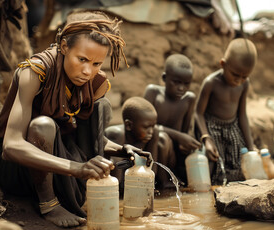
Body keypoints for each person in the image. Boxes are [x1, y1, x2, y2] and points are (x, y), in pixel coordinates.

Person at [0, 10, 151, 228]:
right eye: (82, 59)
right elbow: (11, 146)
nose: (87, 71)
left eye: (96, 64)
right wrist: (76, 168)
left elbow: (85, 137)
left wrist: (122, 149)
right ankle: (49, 204)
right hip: (15, 166)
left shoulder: (96, 84)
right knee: (43, 125)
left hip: (57, 156)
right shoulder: (35, 72)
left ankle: (80, 195)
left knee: (102, 106)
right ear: (64, 47)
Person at [194, 38, 257, 184]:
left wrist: (251, 147)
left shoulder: (244, 85)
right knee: (214, 162)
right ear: (223, 64)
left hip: (232, 128)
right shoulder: (211, 83)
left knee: (240, 164)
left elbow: (242, 115)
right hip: (212, 128)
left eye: (244, 76)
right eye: (235, 75)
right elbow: (198, 113)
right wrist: (206, 138)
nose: (239, 81)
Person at [143, 54, 201, 186]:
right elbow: (146, 126)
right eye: (176, 82)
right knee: (161, 137)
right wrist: (180, 136)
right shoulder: (153, 93)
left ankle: (173, 177)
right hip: (152, 150)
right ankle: (164, 181)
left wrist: (185, 142)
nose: (181, 88)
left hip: (172, 154)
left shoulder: (189, 99)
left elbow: (184, 132)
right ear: (164, 78)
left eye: (186, 84)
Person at [105, 97, 175, 191]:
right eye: (146, 127)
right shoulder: (117, 134)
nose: (150, 131)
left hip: (133, 179)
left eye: (153, 126)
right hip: (115, 182)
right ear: (129, 125)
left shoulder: (153, 133)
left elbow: (152, 168)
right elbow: (116, 176)